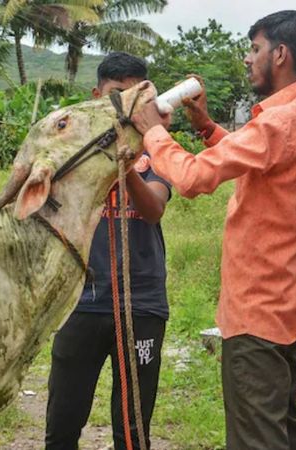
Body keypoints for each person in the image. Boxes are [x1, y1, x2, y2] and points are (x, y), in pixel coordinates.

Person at [131, 10, 296, 450]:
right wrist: (205, 127)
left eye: (254, 48)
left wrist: (152, 134)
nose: (247, 59)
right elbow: (263, 159)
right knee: (284, 431)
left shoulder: (278, 122)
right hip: (286, 308)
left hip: (256, 316)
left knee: (256, 440)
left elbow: (191, 179)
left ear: (280, 54)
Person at [45, 52, 172, 450]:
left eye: (135, 95)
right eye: (117, 95)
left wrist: (127, 167)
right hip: (79, 301)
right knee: (62, 424)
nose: (124, 106)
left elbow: (153, 209)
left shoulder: (157, 147)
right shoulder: (69, 150)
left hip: (140, 304)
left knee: (132, 431)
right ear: (97, 94)